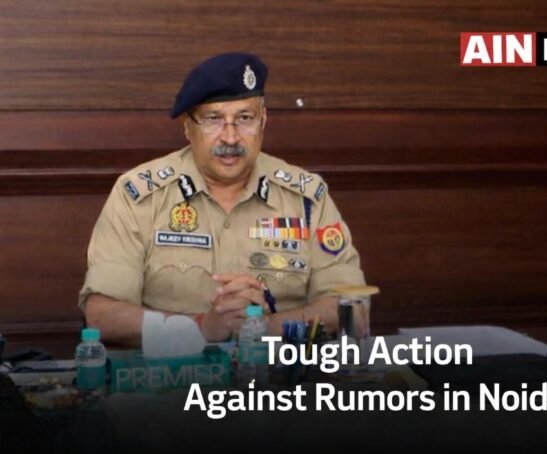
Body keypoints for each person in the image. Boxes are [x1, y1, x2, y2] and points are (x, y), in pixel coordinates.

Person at [79, 52, 365, 346]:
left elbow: (353, 309)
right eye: (213, 119)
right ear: (187, 126)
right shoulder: (139, 195)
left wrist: (263, 328)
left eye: (244, 118)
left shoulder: (306, 198)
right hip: (175, 372)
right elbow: (101, 314)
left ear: (263, 120)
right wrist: (200, 329)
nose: (230, 138)